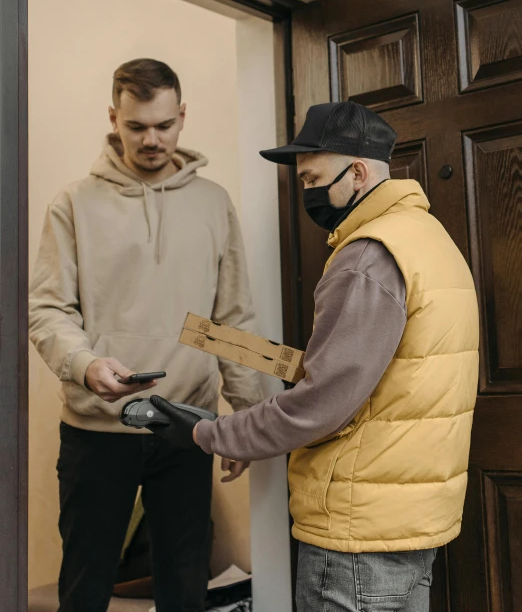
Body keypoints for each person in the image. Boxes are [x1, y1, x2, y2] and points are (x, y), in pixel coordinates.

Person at [150, 101, 480, 612]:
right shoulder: (428, 240)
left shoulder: (367, 256)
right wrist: (222, 340)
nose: (305, 192)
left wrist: (211, 433)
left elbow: (324, 400)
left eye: (311, 179)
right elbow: (374, 369)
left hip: (355, 533)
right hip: (409, 523)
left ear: (358, 172)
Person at [29, 58, 262, 612]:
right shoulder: (73, 202)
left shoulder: (214, 202)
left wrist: (250, 417)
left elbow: (233, 317)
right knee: (85, 589)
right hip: (95, 430)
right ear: (114, 118)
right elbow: (46, 309)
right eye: (136, 127)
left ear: (182, 116)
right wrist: (85, 364)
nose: (151, 139)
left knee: (184, 587)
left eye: (163, 124)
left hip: (187, 427)